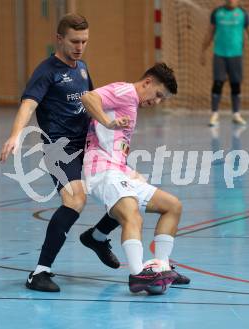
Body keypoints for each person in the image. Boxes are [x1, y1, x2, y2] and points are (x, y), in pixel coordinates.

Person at [0, 13, 121, 293]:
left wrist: (112, 129)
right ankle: (39, 272)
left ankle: (98, 237)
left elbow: (91, 102)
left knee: (123, 191)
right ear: (59, 39)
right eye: (75, 41)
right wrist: (15, 134)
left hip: (89, 145)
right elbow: (28, 105)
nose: (80, 46)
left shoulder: (82, 68)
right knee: (75, 200)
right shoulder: (47, 71)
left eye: (85, 41)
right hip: (59, 149)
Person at [81, 63, 190, 293]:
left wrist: (129, 170)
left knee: (172, 206)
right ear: (148, 82)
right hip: (101, 169)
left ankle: (161, 267)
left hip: (118, 169)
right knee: (132, 215)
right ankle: (137, 275)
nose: (157, 102)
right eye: (158, 95)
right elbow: (89, 98)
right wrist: (107, 121)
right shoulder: (125, 91)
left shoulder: (132, 103)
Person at [201, 0, 249, 127]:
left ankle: (236, 114)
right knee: (218, 83)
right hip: (220, 54)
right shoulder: (217, 13)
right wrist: (203, 49)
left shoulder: (243, 14)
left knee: (236, 84)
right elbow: (210, 32)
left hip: (236, 55)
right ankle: (214, 114)